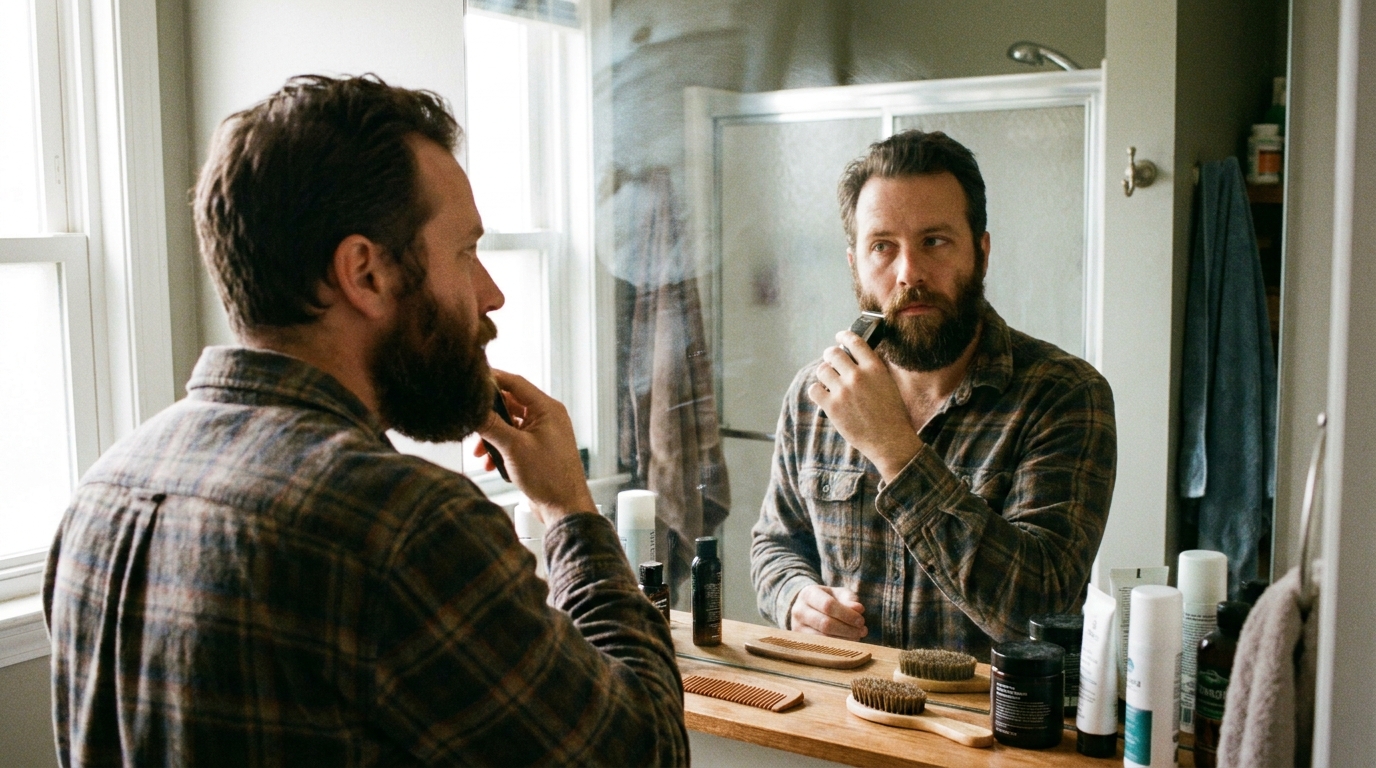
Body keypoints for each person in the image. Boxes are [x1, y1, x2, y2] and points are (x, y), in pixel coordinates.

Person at [43, 75, 687, 766]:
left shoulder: (101, 496)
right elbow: (643, 751)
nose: (491, 293)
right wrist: (569, 510)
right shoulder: (405, 525)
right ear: (365, 273)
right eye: (466, 252)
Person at [750, 129, 1117, 658]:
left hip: (990, 710)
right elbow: (775, 545)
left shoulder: (1064, 396)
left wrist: (895, 450)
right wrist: (795, 598)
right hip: (842, 703)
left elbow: (1038, 610)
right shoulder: (816, 395)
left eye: (935, 241)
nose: (909, 273)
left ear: (981, 253)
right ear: (854, 264)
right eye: (883, 247)